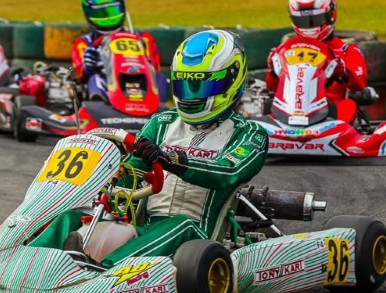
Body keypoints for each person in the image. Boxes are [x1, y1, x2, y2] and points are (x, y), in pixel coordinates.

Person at [30, 29, 269, 267]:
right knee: (70, 217)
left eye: (201, 85)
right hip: (145, 229)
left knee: (179, 224)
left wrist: (173, 160)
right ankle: (26, 260)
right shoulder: (162, 123)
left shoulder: (249, 134)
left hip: (196, 240)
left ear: (231, 81)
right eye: (185, 84)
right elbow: (133, 169)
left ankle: (106, 269)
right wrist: (110, 177)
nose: (191, 95)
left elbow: (228, 171)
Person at [266, 0, 374, 126]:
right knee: (265, 106)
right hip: (288, 111)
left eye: (315, 20)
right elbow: (272, 88)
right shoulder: (285, 50)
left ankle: (337, 134)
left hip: (330, 111)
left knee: (348, 105)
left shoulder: (347, 51)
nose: (309, 26)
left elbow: (359, 84)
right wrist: (272, 70)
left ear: (331, 14)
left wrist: (342, 72)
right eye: (303, 21)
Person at [70, 0, 161, 100]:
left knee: (161, 79)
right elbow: (76, 75)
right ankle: (98, 105)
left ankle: (161, 108)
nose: (108, 19)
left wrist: (144, 59)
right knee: (94, 79)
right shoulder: (84, 44)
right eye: (100, 14)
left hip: (140, 80)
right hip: (108, 88)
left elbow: (155, 67)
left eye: (113, 11)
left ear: (122, 7)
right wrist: (87, 67)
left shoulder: (143, 38)